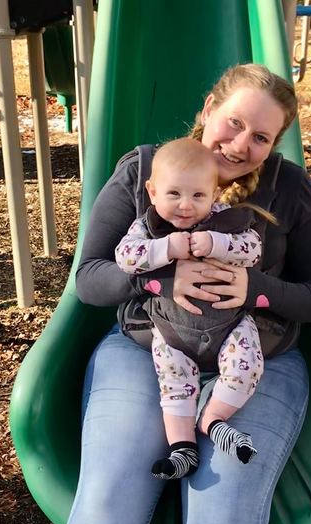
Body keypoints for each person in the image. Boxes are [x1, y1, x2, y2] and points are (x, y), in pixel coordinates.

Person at [43, 63, 311, 524]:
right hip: (149, 346)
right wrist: (159, 279)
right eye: (234, 122)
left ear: (274, 146)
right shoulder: (146, 170)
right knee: (109, 496)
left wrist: (257, 289)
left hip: (255, 358)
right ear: (208, 109)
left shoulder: (288, 188)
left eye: (261, 137)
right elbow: (90, 278)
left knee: (223, 514)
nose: (240, 145)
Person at [115, 137, 274, 479]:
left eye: (198, 195)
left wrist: (218, 243)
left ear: (214, 194)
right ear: (152, 191)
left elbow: (253, 249)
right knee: (174, 381)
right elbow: (125, 257)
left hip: (229, 325)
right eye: (174, 194)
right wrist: (165, 249)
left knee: (248, 364)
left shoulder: (226, 220)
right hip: (172, 330)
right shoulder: (148, 227)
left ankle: (213, 418)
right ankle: (182, 449)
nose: (186, 205)